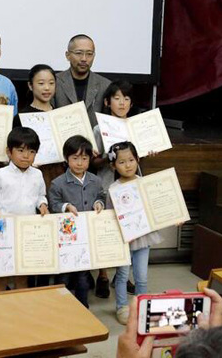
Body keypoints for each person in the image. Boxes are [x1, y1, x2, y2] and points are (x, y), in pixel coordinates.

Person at [0, 127, 49, 291]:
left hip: (27, 231)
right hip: (3, 232)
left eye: (32, 151)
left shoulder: (37, 174)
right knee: (1, 276)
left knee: (22, 275)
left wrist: (42, 205)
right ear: (9, 152)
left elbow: (41, 195)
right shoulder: (0, 174)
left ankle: (21, 313)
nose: (26, 156)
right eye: (20, 150)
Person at [107, 141, 162, 324]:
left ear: (138, 159)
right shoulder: (113, 189)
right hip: (124, 239)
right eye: (121, 162)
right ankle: (122, 307)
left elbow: (156, 207)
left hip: (143, 237)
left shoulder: (145, 183)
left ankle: (141, 305)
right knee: (122, 275)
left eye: (131, 160)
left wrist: (174, 216)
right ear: (113, 165)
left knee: (142, 276)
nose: (128, 165)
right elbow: (109, 217)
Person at [48, 135, 106, 307]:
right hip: (66, 236)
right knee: (64, 274)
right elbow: (53, 204)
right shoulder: (58, 183)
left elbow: (101, 195)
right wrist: (65, 206)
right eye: (75, 158)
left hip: (86, 236)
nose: (80, 163)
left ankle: (83, 306)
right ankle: (61, 306)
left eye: (84, 158)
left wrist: (99, 202)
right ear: (67, 159)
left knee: (83, 274)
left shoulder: (96, 181)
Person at [92, 80, 136, 298]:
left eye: (126, 98)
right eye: (117, 98)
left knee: (129, 228)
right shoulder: (100, 128)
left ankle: (123, 274)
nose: (122, 103)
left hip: (132, 184)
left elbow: (139, 158)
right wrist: (108, 156)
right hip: (108, 183)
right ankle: (102, 274)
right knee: (107, 229)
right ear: (108, 102)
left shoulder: (137, 127)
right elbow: (93, 162)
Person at [12, 64, 65, 190]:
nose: (47, 88)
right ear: (30, 86)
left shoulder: (61, 116)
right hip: (31, 177)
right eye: (41, 83)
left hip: (60, 176)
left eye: (51, 83)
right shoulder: (21, 117)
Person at [54, 34, 111, 126]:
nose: (84, 59)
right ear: (67, 55)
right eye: (79, 53)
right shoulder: (55, 82)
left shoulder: (105, 85)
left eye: (89, 54)